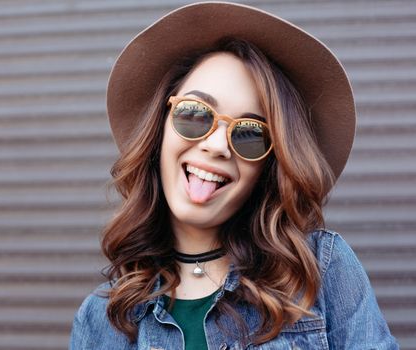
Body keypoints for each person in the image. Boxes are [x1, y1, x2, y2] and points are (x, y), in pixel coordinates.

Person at [69, 2, 399, 349]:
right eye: (195, 114)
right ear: (160, 128)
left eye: (249, 134)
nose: (215, 146)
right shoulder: (101, 319)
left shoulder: (322, 271)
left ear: (270, 165)